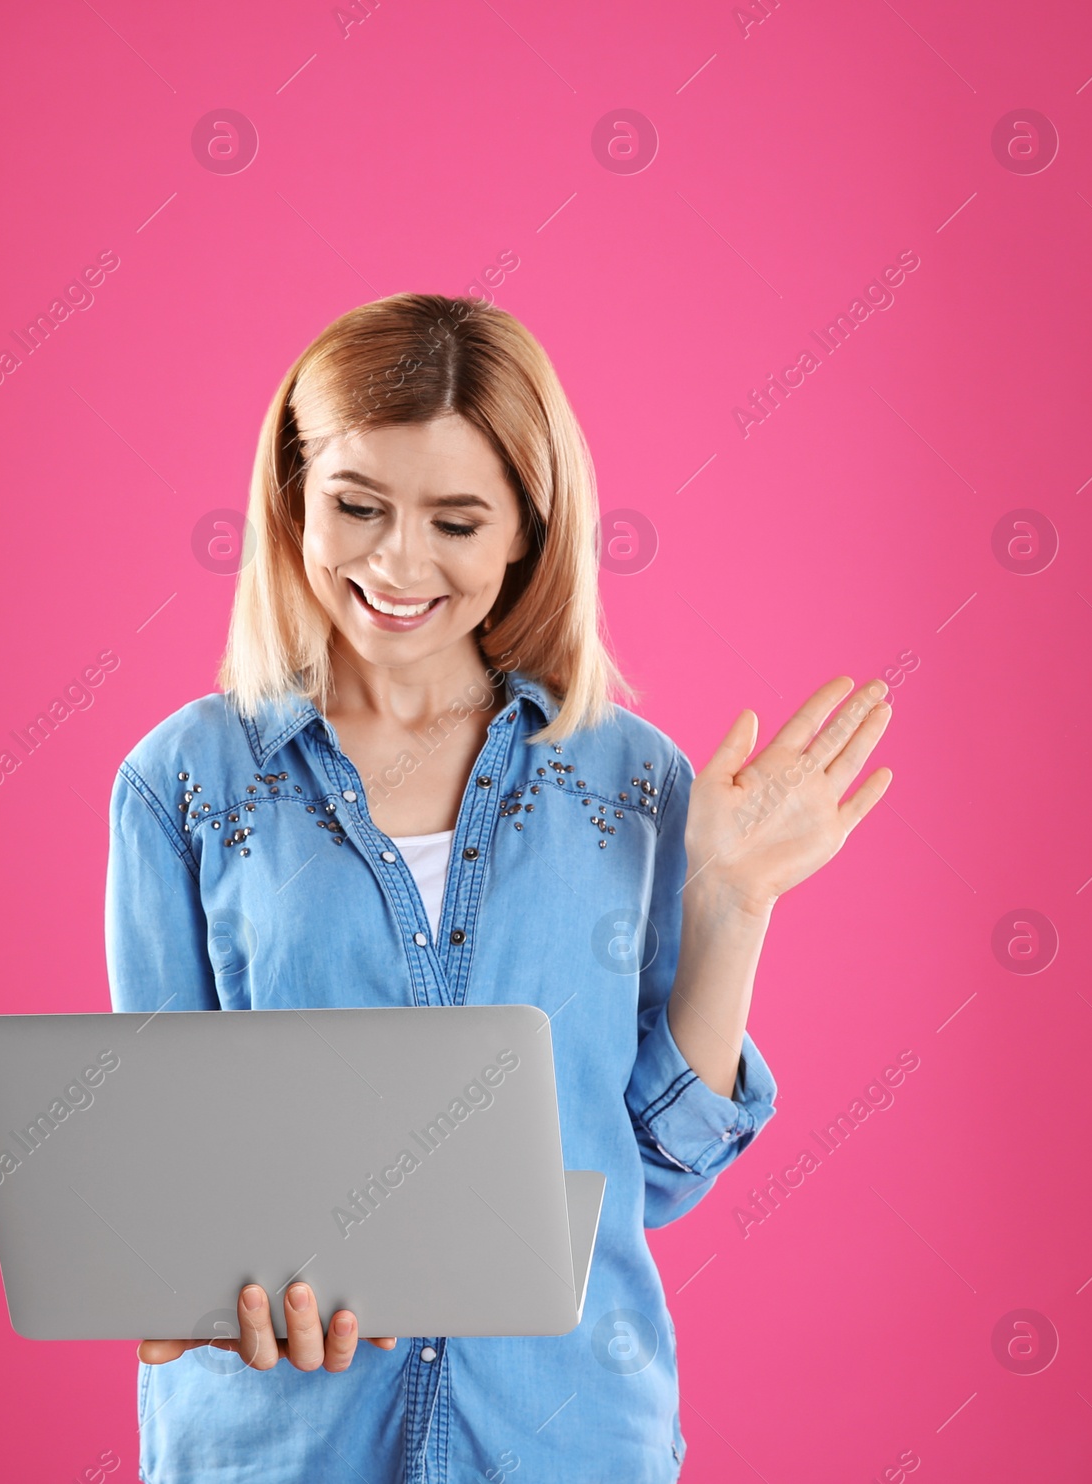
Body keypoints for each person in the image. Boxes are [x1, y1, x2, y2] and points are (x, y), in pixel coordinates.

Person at [104, 292, 893, 1482]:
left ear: (528, 527)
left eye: (456, 521)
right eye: (356, 507)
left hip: (564, 1437)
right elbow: (166, 1174)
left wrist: (731, 901)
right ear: (291, 498)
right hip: (276, 1444)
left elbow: (656, 1173)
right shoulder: (182, 784)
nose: (396, 562)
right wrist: (212, 1289)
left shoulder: (633, 784)